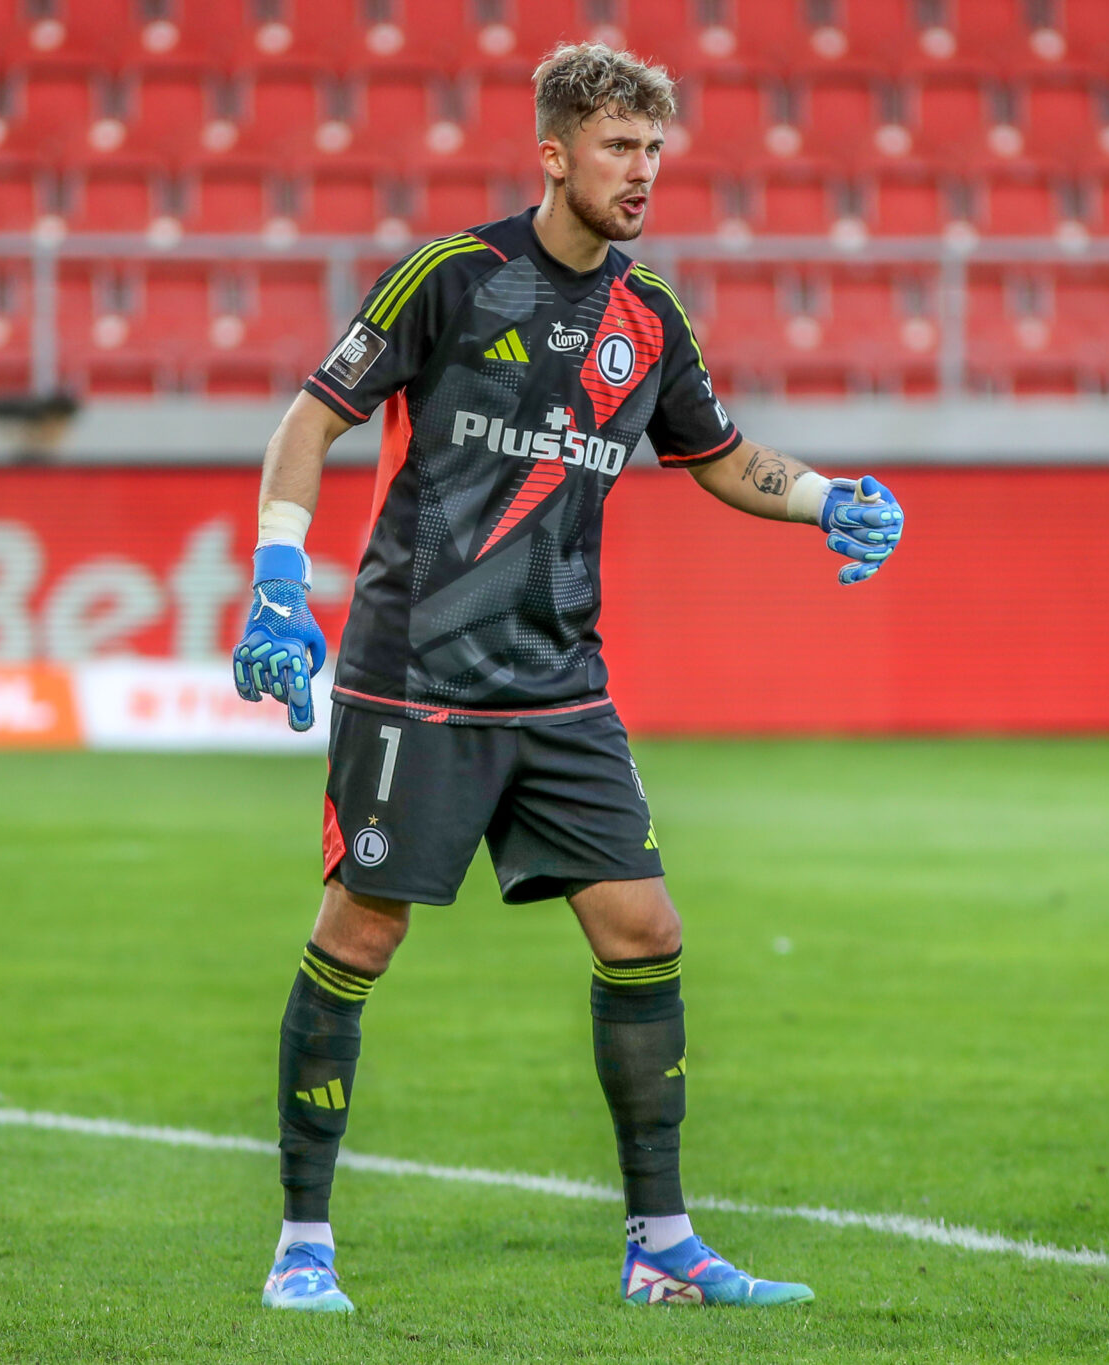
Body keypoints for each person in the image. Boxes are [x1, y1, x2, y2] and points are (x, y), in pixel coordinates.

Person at [231, 41, 905, 1312]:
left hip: (559, 683)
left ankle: (660, 1246)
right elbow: (310, 417)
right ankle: (301, 1243)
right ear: (553, 154)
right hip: (415, 679)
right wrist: (277, 578)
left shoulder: (647, 314)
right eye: (616, 148)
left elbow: (711, 450)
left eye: (655, 150)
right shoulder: (452, 278)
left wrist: (824, 501)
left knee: (645, 932)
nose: (641, 173)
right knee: (359, 936)